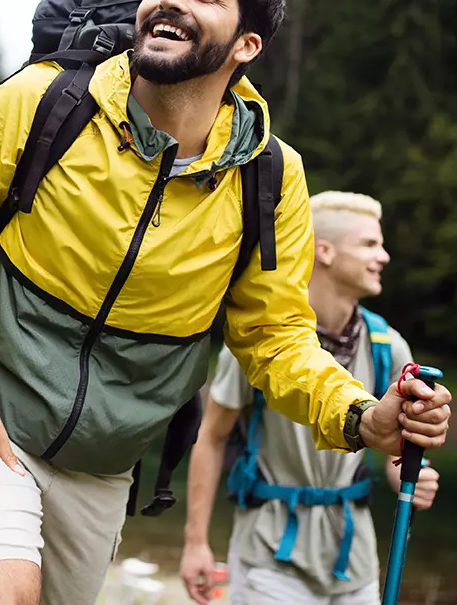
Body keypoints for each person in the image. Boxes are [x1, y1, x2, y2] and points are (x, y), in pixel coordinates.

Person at [0, 0, 453, 605]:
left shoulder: (271, 177)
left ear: (247, 44)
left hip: (101, 468)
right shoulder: (39, 104)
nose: (169, 0)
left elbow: (273, 338)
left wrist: (364, 417)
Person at [180, 191, 442, 604]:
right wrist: (196, 542)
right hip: (269, 555)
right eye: (370, 244)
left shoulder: (388, 347)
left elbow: (395, 449)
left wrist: (408, 473)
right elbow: (211, 438)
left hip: (354, 559)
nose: (384, 256)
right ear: (325, 251)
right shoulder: (258, 342)